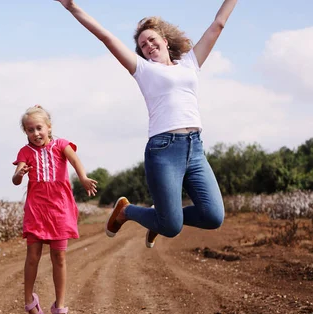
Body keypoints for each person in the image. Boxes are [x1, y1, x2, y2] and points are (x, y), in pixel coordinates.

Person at [54, 0, 236, 248]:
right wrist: (72, 6)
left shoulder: (190, 63)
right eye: (142, 45)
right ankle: (127, 211)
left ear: (165, 39)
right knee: (171, 227)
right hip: (163, 151)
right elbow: (106, 37)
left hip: (195, 150)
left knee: (213, 216)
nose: (148, 46)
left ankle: (158, 218)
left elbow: (219, 24)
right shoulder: (143, 69)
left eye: (151, 40)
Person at [13, 105, 97, 314]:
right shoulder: (25, 152)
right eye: (30, 130)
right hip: (37, 210)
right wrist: (19, 174)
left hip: (60, 209)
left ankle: (59, 306)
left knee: (59, 257)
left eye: (39, 128)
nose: (35, 133)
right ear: (26, 133)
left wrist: (84, 178)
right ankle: (29, 299)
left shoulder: (61, 145)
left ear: (49, 128)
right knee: (33, 256)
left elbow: (75, 160)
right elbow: (16, 178)